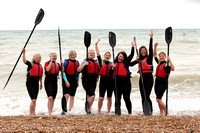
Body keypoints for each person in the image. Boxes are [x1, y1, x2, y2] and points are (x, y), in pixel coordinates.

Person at [130, 30, 154, 114]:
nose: (143, 51)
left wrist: (151, 38)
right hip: (142, 78)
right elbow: (130, 64)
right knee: (142, 96)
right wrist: (135, 58)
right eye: (141, 51)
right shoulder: (139, 59)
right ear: (140, 52)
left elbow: (151, 48)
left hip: (149, 78)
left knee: (147, 95)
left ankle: (150, 111)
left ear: (146, 51)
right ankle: (145, 111)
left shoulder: (149, 58)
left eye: (144, 50)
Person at [109, 40, 135, 115]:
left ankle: (130, 112)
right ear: (117, 56)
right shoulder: (114, 64)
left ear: (124, 58)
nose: (120, 58)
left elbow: (131, 55)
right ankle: (117, 112)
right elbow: (110, 73)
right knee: (117, 98)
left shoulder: (126, 63)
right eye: (120, 56)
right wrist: (112, 68)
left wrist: (132, 46)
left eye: (122, 57)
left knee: (126, 98)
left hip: (126, 83)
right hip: (117, 83)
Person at [153, 42, 174, 115]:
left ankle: (166, 110)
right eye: (160, 56)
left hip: (163, 82)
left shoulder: (167, 63)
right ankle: (161, 112)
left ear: (165, 57)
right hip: (157, 81)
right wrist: (155, 47)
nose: (161, 57)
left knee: (158, 99)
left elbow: (173, 69)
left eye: (162, 56)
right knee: (159, 99)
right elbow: (154, 55)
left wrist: (169, 59)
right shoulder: (159, 62)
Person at [22, 48, 43, 116]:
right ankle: (31, 113)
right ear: (35, 58)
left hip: (36, 83)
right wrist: (24, 52)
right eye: (39, 57)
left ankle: (34, 113)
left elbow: (40, 76)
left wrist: (41, 84)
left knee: (35, 99)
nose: (40, 58)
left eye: (40, 57)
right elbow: (24, 61)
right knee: (33, 99)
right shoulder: (31, 64)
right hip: (30, 83)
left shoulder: (40, 66)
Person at [77, 49, 99, 114]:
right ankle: (87, 107)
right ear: (88, 54)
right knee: (92, 95)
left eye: (93, 53)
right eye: (90, 53)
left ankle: (89, 110)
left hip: (93, 80)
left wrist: (98, 77)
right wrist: (84, 65)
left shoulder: (96, 62)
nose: (91, 54)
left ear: (94, 55)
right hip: (86, 80)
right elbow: (78, 70)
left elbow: (98, 71)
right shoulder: (85, 61)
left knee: (89, 95)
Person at [95, 39, 114, 114]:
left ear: (110, 57)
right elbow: (98, 54)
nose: (107, 56)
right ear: (104, 56)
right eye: (106, 55)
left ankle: (108, 111)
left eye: (109, 55)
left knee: (109, 97)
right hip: (103, 81)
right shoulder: (101, 62)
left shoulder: (112, 64)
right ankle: (99, 111)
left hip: (110, 81)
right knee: (101, 97)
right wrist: (96, 45)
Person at [61, 50, 80, 115]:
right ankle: (64, 110)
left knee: (72, 96)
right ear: (69, 56)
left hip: (74, 80)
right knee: (66, 95)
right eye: (71, 55)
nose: (73, 56)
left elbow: (78, 73)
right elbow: (63, 72)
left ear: (75, 55)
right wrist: (66, 81)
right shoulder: (66, 62)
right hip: (66, 79)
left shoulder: (77, 62)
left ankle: (70, 109)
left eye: (74, 54)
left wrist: (77, 81)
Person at [44, 52, 62, 117]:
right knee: (50, 98)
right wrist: (51, 62)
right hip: (48, 81)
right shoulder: (47, 63)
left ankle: (51, 111)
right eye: (53, 56)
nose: (55, 57)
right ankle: (49, 113)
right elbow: (47, 69)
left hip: (55, 81)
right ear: (50, 57)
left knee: (53, 98)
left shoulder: (57, 64)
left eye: (55, 56)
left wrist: (62, 64)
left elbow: (62, 70)